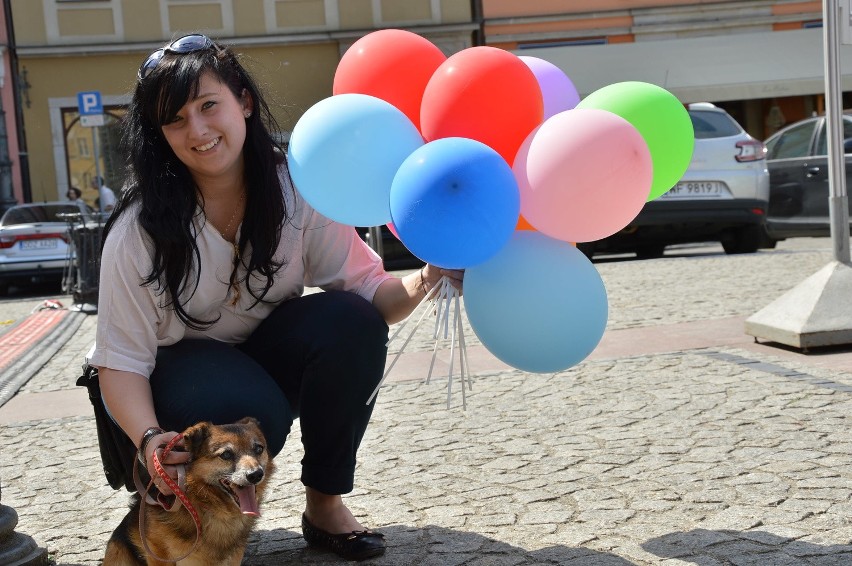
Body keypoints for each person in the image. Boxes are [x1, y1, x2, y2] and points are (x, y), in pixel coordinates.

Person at [87, 34, 462, 561]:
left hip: (260, 361)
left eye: (208, 105)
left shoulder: (296, 189)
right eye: (175, 120)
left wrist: (427, 277)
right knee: (251, 407)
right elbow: (120, 363)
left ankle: (326, 505)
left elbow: (372, 295)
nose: (197, 131)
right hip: (176, 385)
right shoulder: (139, 229)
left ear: (243, 101)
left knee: (350, 322)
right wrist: (150, 441)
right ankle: (185, 518)